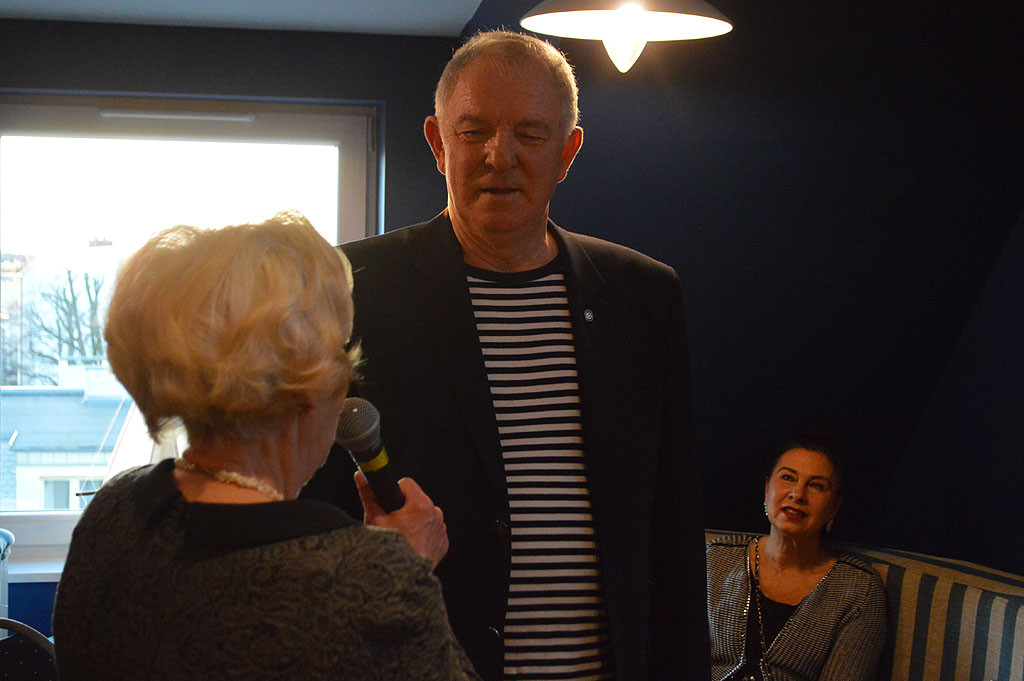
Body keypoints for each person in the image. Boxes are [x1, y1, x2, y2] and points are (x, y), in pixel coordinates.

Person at [300, 31, 709, 681]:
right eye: (475, 131)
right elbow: (305, 509)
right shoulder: (351, 289)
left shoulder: (642, 296)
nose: (500, 156)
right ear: (438, 144)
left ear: (567, 151)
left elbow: (674, 528)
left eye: (530, 133)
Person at [52, 212, 479, 681]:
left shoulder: (113, 511)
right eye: (339, 351)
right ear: (309, 384)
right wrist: (405, 568)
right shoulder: (367, 582)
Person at [706, 431, 887, 681]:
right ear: (767, 488)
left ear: (834, 507)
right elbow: (676, 652)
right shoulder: (717, 559)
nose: (797, 494)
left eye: (817, 486)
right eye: (788, 478)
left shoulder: (859, 590)